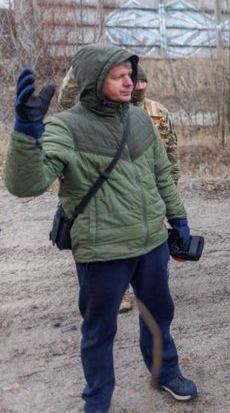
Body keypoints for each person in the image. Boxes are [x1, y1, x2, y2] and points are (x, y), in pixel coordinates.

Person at [5, 44, 197, 412]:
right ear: (95, 80)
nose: (131, 82)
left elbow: (161, 174)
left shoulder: (139, 119)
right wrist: (26, 133)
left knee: (159, 313)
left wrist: (179, 217)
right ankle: (97, 397)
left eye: (131, 75)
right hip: (102, 251)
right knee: (99, 329)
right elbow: (25, 185)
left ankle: (164, 372)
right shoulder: (66, 126)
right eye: (119, 76)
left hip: (152, 243)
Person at [57, 63, 181, 313]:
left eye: (140, 81)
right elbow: (67, 101)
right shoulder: (92, 115)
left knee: (150, 243)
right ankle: (120, 291)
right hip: (106, 192)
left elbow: (169, 153)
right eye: (133, 81)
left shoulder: (156, 112)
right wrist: (79, 68)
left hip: (148, 188)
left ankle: (149, 285)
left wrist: (170, 193)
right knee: (114, 243)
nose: (138, 86)